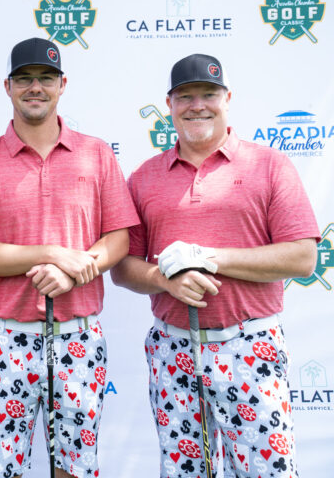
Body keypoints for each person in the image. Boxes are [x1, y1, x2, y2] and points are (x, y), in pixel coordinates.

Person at [110, 53, 319, 478]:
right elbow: (122, 267)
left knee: (268, 471)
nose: (197, 105)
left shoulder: (269, 165)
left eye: (209, 94)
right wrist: (163, 279)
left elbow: (302, 257)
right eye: (185, 96)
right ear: (169, 104)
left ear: (228, 99)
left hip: (250, 344)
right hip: (174, 347)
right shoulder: (145, 177)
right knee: (186, 471)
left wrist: (208, 258)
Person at [0, 37, 139, 478]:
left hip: (78, 336)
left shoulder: (96, 154)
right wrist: (53, 253)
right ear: (8, 86)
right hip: (4, 339)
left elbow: (118, 239)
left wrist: (75, 272)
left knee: (74, 470)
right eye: (25, 79)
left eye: (46, 79)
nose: (35, 88)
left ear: (62, 85)